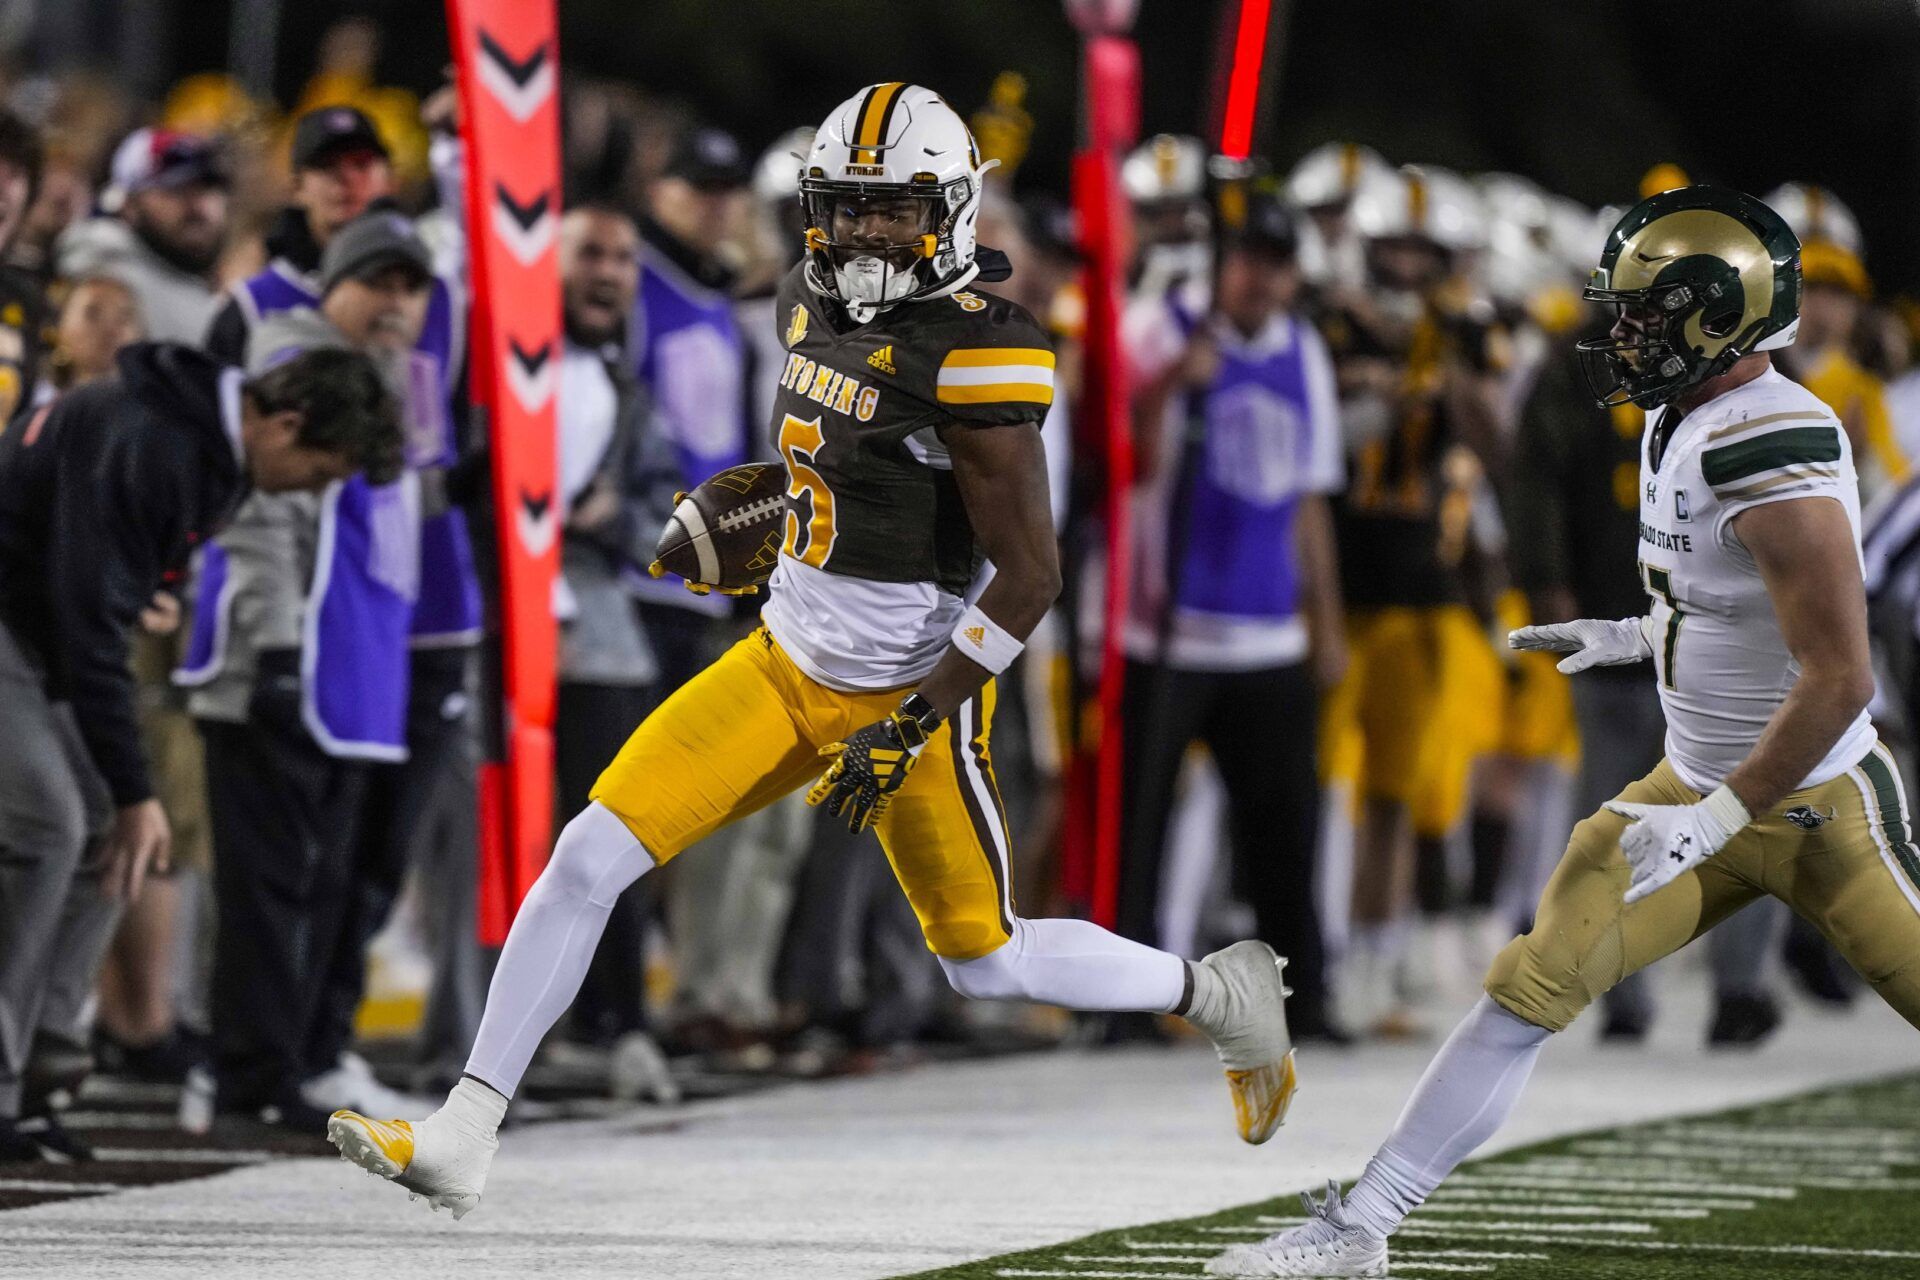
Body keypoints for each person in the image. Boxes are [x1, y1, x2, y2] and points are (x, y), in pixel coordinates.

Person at [328, 83, 1296, 1217]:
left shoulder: (980, 357)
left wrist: (918, 717)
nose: (864, 233)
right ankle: (464, 1130)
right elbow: (830, 464)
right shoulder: (803, 296)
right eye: (847, 207)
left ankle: (1218, 989)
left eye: (892, 211)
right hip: (783, 658)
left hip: (907, 686)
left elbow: (1030, 577)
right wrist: (765, 517)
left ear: (951, 210)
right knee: (586, 856)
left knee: (980, 954)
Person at [1211, 186, 1920, 1278]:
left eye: (1643, 310)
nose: (1619, 332)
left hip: (1818, 805)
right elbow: (1724, 603)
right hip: (1693, 788)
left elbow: (1838, 674)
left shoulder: (1769, 433)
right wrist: (1636, 635)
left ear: (1713, 317)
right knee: (1529, 984)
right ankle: (1364, 1223)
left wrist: (1722, 814)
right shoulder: (1680, 417)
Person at [0, 340, 401, 1161]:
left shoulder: (204, 444)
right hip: (22, 631)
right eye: (322, 471)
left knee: (109, 828)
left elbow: (98, 589)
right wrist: (135, 785)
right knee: (52, 823)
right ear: (284, 424)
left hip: (35, 635)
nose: (315, 490)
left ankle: (40, 1071)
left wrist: (147, 591)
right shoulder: (157, 439)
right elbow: (90, 626)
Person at [181, 214, 441, 1127]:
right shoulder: (298, 357)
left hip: (357, 669)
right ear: (332, 283)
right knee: (269, 886)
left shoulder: (402, 377)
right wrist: (279, 649)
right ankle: (247, 1069)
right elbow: (261, 511)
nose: (397, 303)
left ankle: (299, 1057)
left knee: (331, 883)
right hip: (289, 662)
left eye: (413, 286)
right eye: (379, 281)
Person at [1509, 305, 1788, 1047]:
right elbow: (1536, 474)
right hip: (1628, 625)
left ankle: (1728, 988)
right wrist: (1547, 579)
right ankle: (1639, 992)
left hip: (1715, 634)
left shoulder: (1756, 380)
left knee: (1730, 813)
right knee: (1630, 818)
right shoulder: (1590, 371)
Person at [1118, 194, 1346, 1038]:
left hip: (1267, 631)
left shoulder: (1304, 351)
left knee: (1284, 831)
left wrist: (1327, 623)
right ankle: (1127, 1000)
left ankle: (1303, 996)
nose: (1258, 278)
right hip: (1167, 625)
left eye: (1276, 263)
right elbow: (1122, 463)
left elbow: (1309, 500)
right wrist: (1177, 381)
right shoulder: (1160, 326)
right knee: (1140, 826)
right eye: (1245, 259)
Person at [204, 106, 397, 366]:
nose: (347, 178)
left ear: (389, 179)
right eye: (326, 166)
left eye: (361, 163)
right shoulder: (252, 305)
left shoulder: (428, 291)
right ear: (296, 188)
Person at [56, 128, 230, 344]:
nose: (199, 206)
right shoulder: (104, 270)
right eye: (175, 190)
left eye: (209, 188)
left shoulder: (197, 284)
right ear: (128, 205)